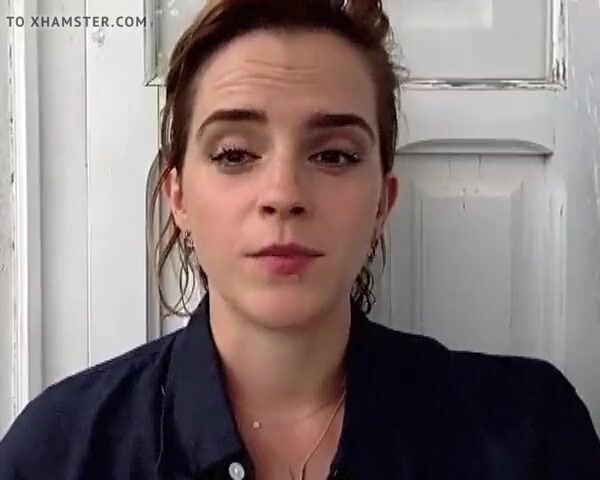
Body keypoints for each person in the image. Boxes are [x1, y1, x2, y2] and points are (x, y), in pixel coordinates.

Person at [1, 0, 600, 478]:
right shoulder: (59, 451)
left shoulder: (530, 434)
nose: (284, 193)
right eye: (234, 153)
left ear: (382, 203)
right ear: (177, 197)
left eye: (334, 155)